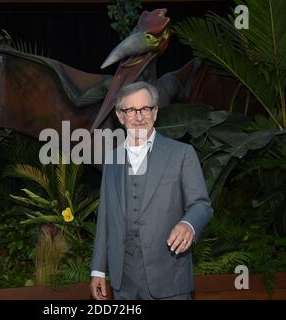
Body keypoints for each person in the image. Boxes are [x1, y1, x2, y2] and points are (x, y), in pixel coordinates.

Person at [90, 81, 213, 300]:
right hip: (123, 282)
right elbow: (106, 218)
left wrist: (189, 224)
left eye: (145, 109)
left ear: (155, 113)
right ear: (120, 116)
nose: (139, 117)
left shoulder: (182, 153)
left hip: (169, 278)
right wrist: (98, 269)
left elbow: (201, 205)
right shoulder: (111, 160)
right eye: (130, 110)